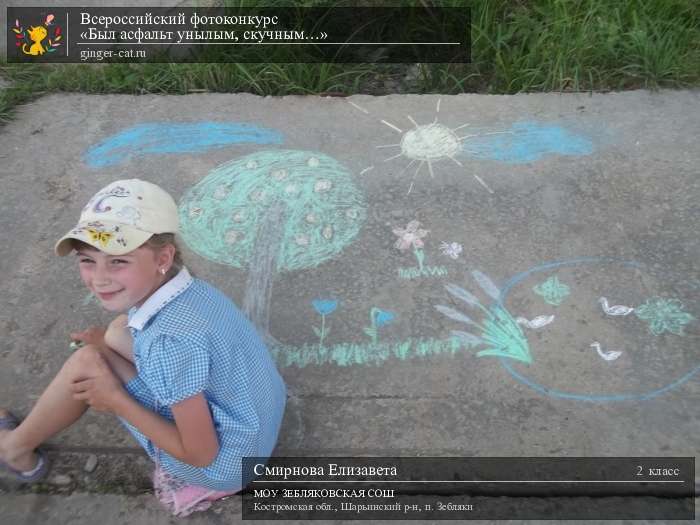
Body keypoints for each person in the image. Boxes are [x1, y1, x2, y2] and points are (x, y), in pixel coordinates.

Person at [0, 179, 287, 516]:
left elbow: (201, 454)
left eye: (118, 261)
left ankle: (14, 450)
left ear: (163, 257)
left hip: (226, 465)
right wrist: (109, 350)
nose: (99, 278)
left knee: (86, 363)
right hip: (255, 419)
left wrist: (115, 400)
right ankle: (101, 361)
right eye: (87, 260)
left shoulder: (167, 344)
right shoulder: (192, 288)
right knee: (116, 331)